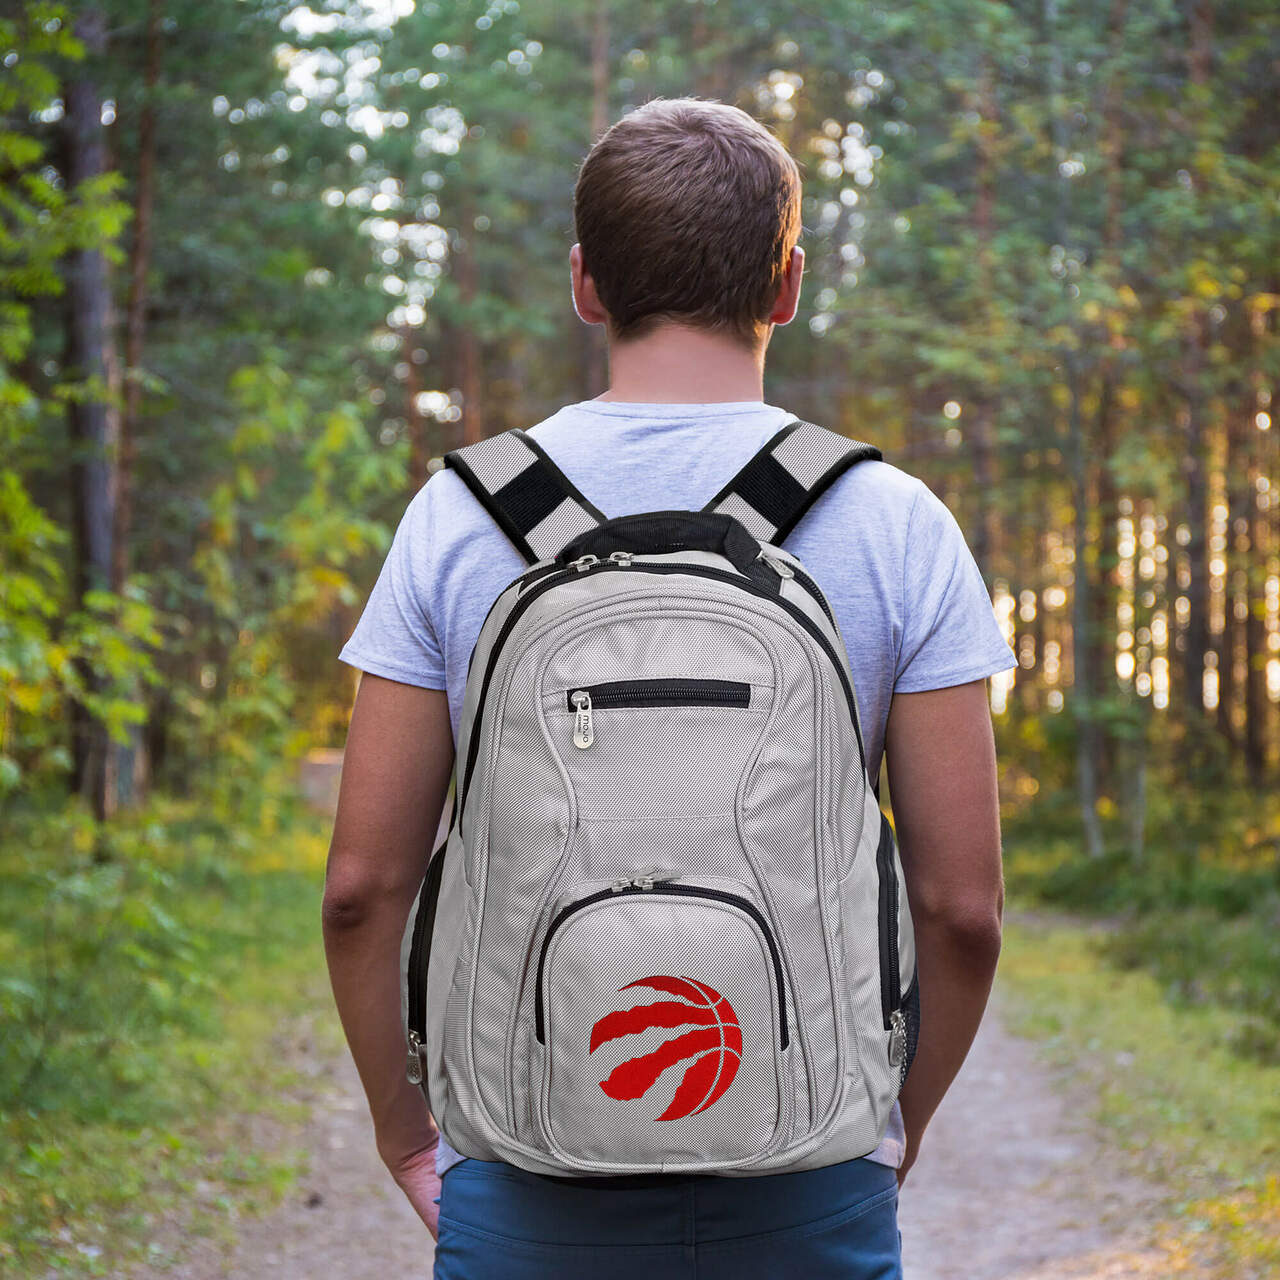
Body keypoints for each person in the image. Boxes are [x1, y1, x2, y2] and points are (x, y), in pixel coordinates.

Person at [324, 96, 1013, 1279]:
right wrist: (882, 1135)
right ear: (787, 284)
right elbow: (963, 909)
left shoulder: (456, 516)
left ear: (585, 284)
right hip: (808, 1177)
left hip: (525, 1182)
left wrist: (406, 1135)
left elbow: (360, 886)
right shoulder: (894, 524)